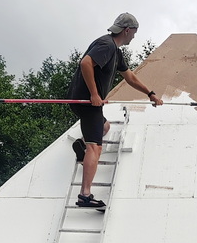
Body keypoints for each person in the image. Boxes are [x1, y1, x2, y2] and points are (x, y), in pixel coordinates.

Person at [67, 13, 163, 209]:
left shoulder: (116, 53)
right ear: (127, 30)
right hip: (88, 102)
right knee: (96, 147)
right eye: (134, 33)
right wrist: (94, 94)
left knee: (105, 127)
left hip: (86, 102)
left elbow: (130, 77)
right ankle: (85, 195)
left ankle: (81, 144)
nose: (134, 37)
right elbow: (85, 63)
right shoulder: (107, 45)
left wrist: (150, 93)